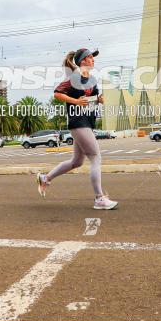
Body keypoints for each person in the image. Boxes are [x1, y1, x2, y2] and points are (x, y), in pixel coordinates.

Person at [37, 48, 118, 210]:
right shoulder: (74, 78)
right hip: (77, 122)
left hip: (87, 121)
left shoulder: (93, 79)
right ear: (82, 61)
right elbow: (57, 93)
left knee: (77, 162)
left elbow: (90, 99)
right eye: (90, 57)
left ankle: (45, 178)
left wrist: (98, 99)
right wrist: (75, 101)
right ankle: (99, 198)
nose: (93, 60)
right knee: (95, 157)